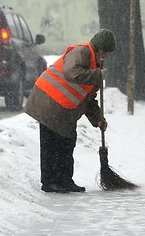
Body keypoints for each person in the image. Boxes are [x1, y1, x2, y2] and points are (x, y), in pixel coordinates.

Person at [24, 29, 115, 193]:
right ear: (100, 49)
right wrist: (96, 74)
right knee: (51, 144)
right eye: (106, 52)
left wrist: (98, 119)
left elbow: (88, 99)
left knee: (66, 142)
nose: (107, 57)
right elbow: (71, 72)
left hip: (62, 108)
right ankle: (50, 183)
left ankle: (64, 180)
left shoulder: (95, 66)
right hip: (48, 101)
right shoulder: (82, 51)